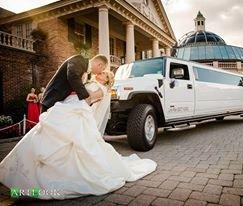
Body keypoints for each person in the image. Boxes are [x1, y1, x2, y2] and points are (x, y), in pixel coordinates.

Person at [0, 55, 157, 200]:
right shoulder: (79, 60)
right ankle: (23, 172)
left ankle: (37, 176)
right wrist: (82, 95)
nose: (100, 73)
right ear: (99, 63)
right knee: (47, 133)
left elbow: (87, 98)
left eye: (103, 73)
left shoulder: (99, 88)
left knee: (55, 136)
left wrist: (84, 98)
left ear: (106, 80)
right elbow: (72, 78)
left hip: (72, 109)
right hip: (61, 104)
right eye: (101, 70)